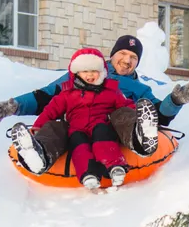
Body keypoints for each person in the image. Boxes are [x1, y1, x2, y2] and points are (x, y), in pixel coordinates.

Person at [0, 33, 189, 173]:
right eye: (123, 54)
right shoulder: (86, 72)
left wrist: (174, 101)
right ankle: (40, 154)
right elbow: (49, 96)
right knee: (57, 126)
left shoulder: (140, 89)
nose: (127, 61)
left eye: (133, 57)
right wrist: (16, 105)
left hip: (113, 131)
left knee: (123, 114)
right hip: (77, 128)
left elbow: (157, 115)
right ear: (113, 55)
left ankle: (139, 139)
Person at [12, 48, 135, 189]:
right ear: (76, 73)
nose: (90, 75)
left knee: (103, 136)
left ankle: (115, 166)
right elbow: (50, 111)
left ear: (102, 72)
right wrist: (38, 126)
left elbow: (126, 105)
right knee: (78, 145)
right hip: (77, 129)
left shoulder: (111, 91)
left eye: (94, 71)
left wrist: (135, 119)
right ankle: (86, 174)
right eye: (85, 71)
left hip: (101, 125)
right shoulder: (67, 93)